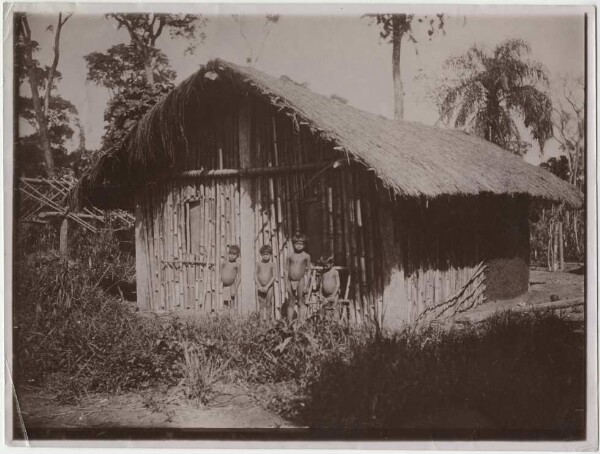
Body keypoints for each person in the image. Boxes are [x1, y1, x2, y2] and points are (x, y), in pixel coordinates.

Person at [285, 233, 311, 323]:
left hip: (301, 281)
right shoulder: (290, 256)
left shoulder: (306, 256)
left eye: (301, 244)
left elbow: (309, 271)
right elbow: (286, 270)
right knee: (291, 302)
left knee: (301, 302)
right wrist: (286, 283)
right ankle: (289, 323)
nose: (299, 246)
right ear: (293, 244)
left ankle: (301, 322)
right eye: (297, 243)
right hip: (290, 280)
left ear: (304, 245)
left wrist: (306, 285)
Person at [255, 244, 275, 321]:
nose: (265, 256)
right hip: (260, 287)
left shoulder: (272, 264)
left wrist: (267, 286)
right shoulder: (258, 264)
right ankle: (261, 321)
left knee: (268, 304)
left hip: (269, 287)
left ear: (270, 255)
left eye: (267, 254)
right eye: (263, 255)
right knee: (261, 304)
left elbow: (273, 277)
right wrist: (259, 286)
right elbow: (255, 276)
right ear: (261, 255)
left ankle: (267, 321)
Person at [319, 256, 341, 320]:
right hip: (325, 296)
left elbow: (338, 284)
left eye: (326, 265)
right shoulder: (322, 272)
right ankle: (326, 326)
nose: (324, 266)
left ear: (331, 264)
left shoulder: (335, 272)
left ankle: (335, 325)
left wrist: (334, 295)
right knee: (325, 311)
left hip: (334, 295)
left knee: (334, 310)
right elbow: (321, 284)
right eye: (323, 265)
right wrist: (321, 294)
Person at [221, 244, 240, 310]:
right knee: (225, 302)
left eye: (234, 254)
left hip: (232, 285)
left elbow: (239, 277)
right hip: (224, 285)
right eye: (230, 254)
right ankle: (225, 318)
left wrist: (235, 288)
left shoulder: (236, 265)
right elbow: (220, 273)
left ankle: (232, 318)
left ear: (237, 256)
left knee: (232, 302)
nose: (231, 256)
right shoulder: (224, 263)